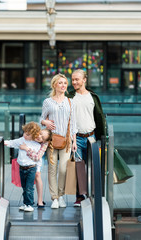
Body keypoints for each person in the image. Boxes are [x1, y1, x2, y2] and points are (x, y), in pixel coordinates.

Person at [67, 69, 107, 207]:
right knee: (79, 168)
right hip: (76, 138)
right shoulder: (70, 96)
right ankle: (80, 197)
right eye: (72, 79)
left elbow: (100, 117)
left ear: (84, 80)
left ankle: (95, 195)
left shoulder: (93, 97)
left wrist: (103, 138)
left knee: (94, 167)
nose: (74, 82)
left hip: (92, 137)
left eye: (77, 79)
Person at [40, 73, 78, 209]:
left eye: (65, 83)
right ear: (54, 85)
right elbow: (41, 118)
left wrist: (74, 141)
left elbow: (73, 123)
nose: (63, 85)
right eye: (60, 83)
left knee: (63, 169)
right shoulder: (47, 102)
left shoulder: (70, 102)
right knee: (52, 170)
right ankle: (54, 198)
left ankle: (61, 195)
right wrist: (46, 122)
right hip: (51, 141)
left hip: (66, 141)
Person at [4, 122, 42, 212]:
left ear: (33, 135)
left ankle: (29, 204)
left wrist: (38, 170)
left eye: (28, 134)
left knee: (29, 187)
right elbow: (12, 143)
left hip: (31, 168)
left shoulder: (36, 145)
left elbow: (38, 159)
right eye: (25, 133)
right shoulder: (21, 140)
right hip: (22, 168)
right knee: (24, 187)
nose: (25, 135)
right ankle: (25, 203)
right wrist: (5, 142)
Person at [20, 129, 53, 208]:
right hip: (26, 159)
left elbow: (38, 157)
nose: (39, 136)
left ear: (44, 141)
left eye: (42, 137)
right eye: (40, 133)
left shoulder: (44, 144)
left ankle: (40, 200)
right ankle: (27, 201)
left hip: (36, 158)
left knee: (37, 175)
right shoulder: (31, 134)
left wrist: (27, 149)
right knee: (26, 182)